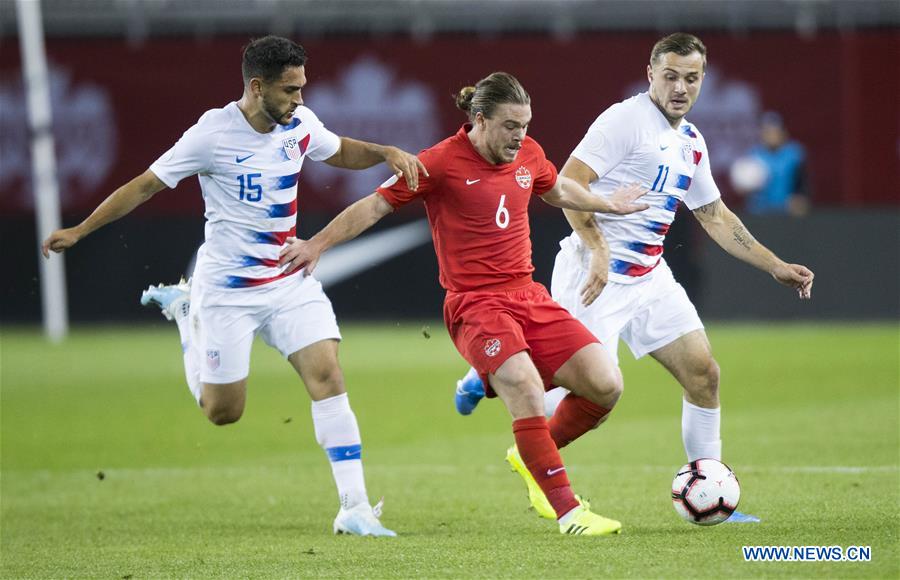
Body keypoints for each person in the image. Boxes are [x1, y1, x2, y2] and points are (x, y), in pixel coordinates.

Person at [41, 35, 429, 537]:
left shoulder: (300, 124)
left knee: (328, 374)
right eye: (291, 90)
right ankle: (186, 317)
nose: (301, 100)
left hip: (288, 277)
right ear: (256, 85)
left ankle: (353, 506)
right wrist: (80, 230)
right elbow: (144, 184)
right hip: (226, 290)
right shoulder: (211, 135)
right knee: (223, 413)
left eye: (303, 88)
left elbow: (339, 152)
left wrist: (384, 151)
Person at [453, 33, 815, 524]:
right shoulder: (624, 121)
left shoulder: (691, 142)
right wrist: (599, 249)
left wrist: (775, 264)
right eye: (670, 76)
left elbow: (713, 214)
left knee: (704, 374)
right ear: (651, 75)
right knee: (580, 394)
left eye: (691, 78)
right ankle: (489, 384)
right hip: (593, 275)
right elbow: (567, 185)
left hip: (650, 277)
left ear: (703, 80)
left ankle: (711, 494)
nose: (680, 87)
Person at [278, 72, 651, 536]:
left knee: (606, 385)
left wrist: (607, 204)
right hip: (475, 305)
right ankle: (570, 513)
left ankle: (530, 452)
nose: (521, 136)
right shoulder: (438, 162)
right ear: (479, 119)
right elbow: (373, 207)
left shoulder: (529, 155)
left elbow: (557, 190)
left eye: (526, 125)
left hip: (528, 296)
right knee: (525, 384)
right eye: (511, 125)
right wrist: (317, 244)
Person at [735, 111, 811, 217]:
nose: (771, 135)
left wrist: (800, 199)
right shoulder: (752, 155)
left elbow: (803, 184)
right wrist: (743, 186)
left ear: (783, 132)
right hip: (758, 213)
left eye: (775, 131)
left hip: (787, 213)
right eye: (767, 132)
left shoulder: (794, 154)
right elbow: (741, 187)